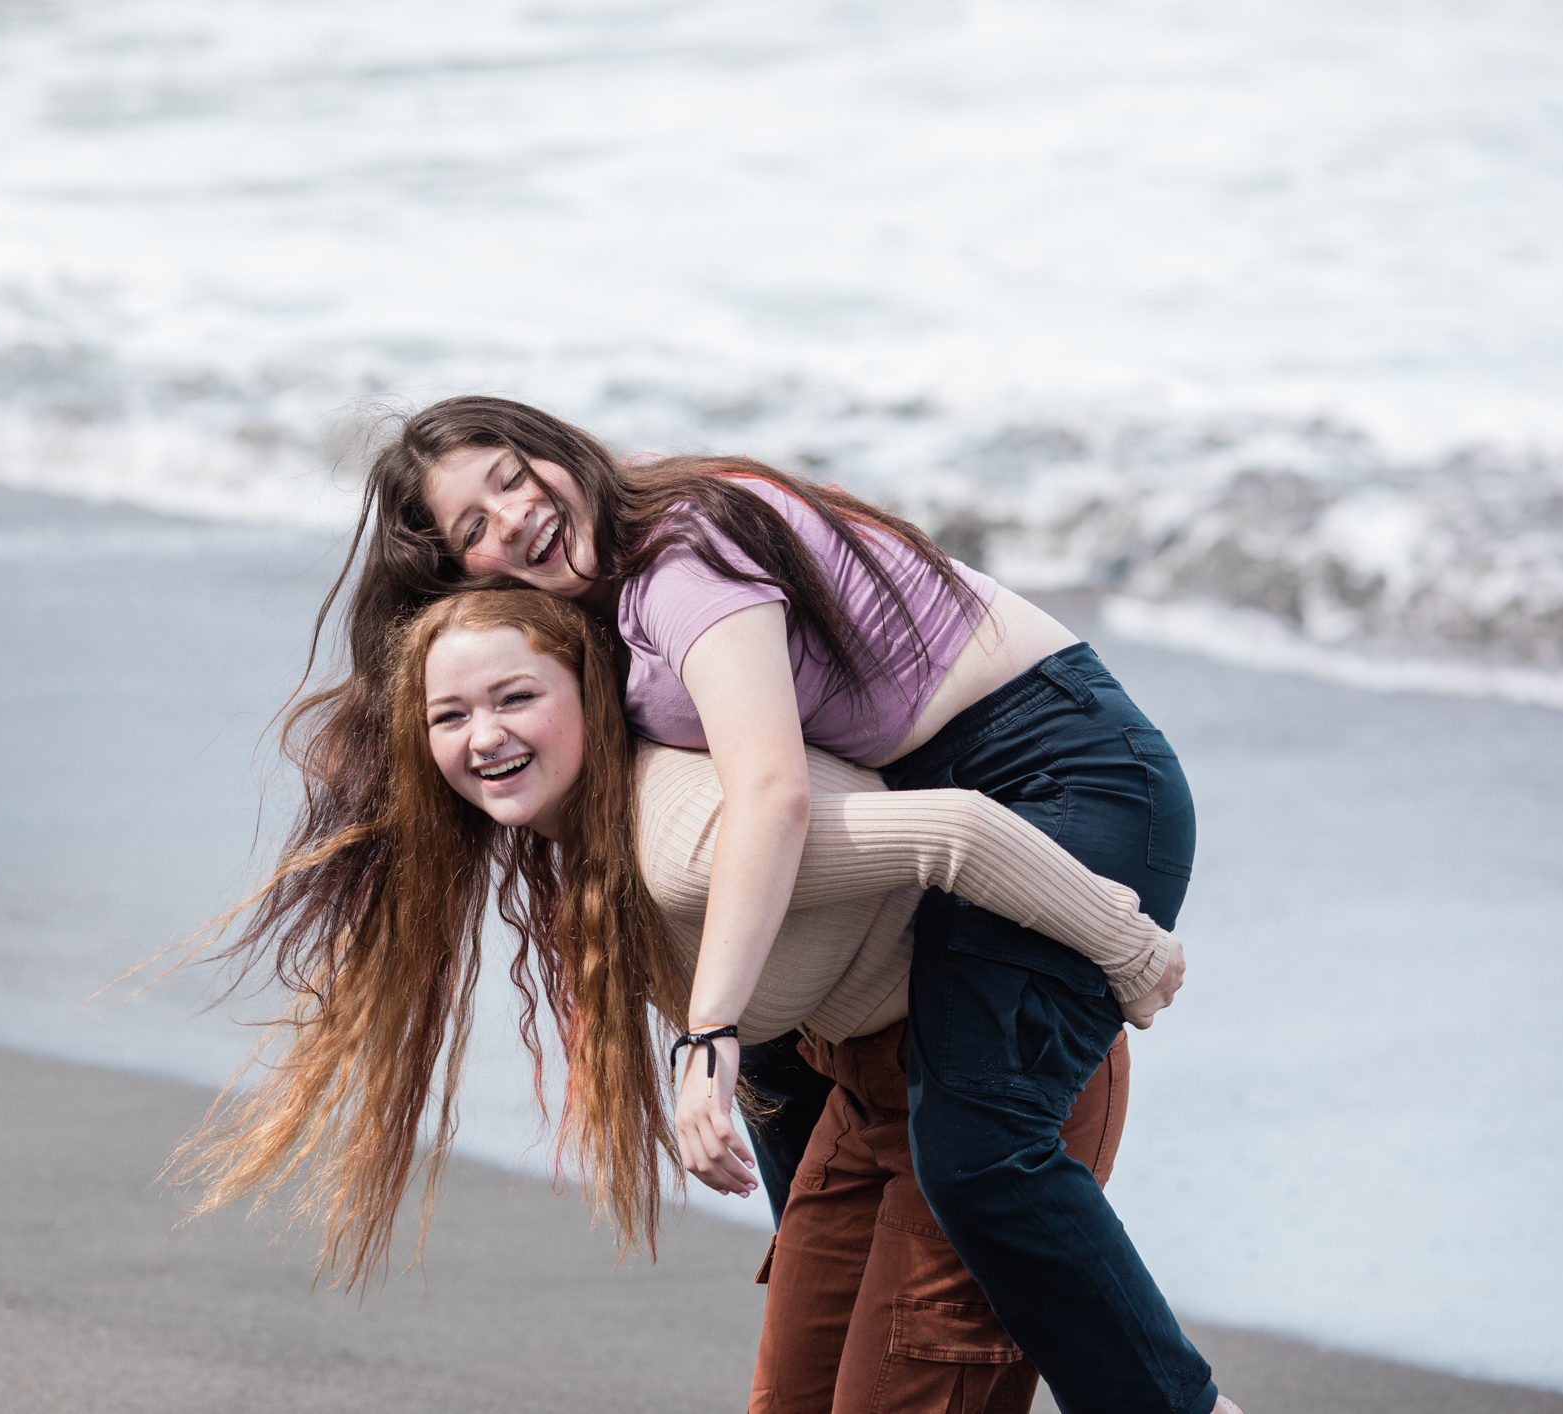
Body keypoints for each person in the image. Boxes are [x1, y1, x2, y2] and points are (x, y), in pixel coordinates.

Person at [297, 396, 1228, 1414]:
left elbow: (778, 796)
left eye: (514, 476)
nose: (512, 518)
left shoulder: (680, 562)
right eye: (472, 526)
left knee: (975, 1159)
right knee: (792, 1090)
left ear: (560, 452)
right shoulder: (599, 614)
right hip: (941, 815)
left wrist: (1130, 948)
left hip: (1063, 771)